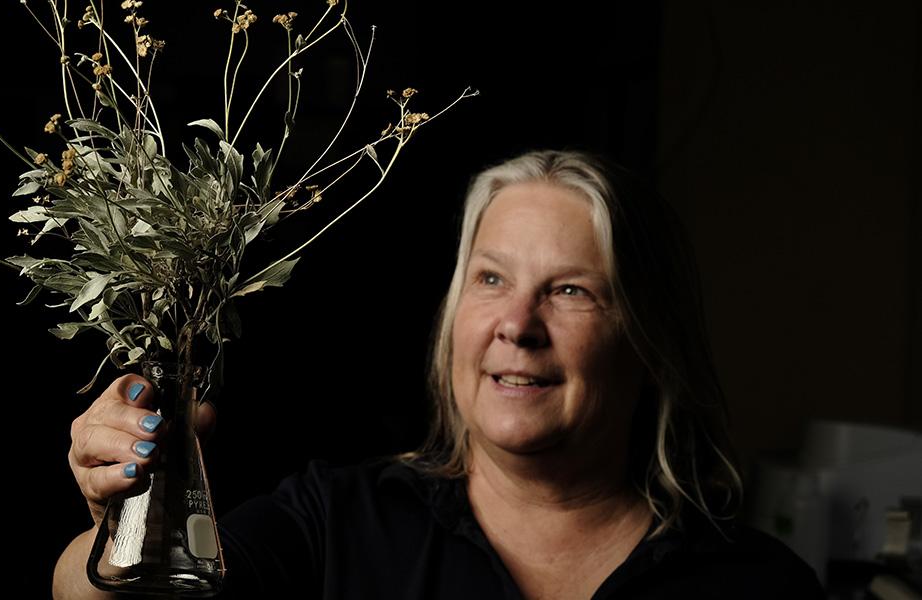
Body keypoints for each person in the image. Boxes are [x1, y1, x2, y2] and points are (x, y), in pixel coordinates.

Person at [54, 150, 825, 599]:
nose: (515, 326)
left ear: (649, 340)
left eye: (570, 291)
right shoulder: (337, 523)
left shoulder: (755, 585)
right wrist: (118, 516)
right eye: (491, 280)